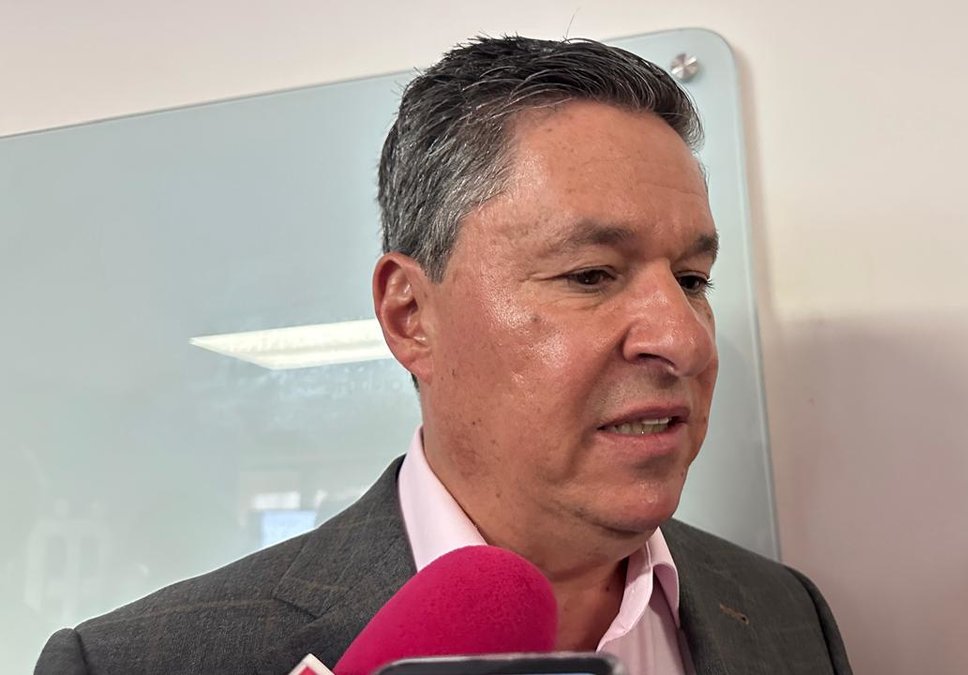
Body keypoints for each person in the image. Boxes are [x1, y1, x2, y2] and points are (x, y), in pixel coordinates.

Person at [35, 36, 852, 674]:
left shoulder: (787, 615)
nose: (682, 338)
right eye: (590, 275)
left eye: (692, 279)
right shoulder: (138, 662)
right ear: (410, 314)